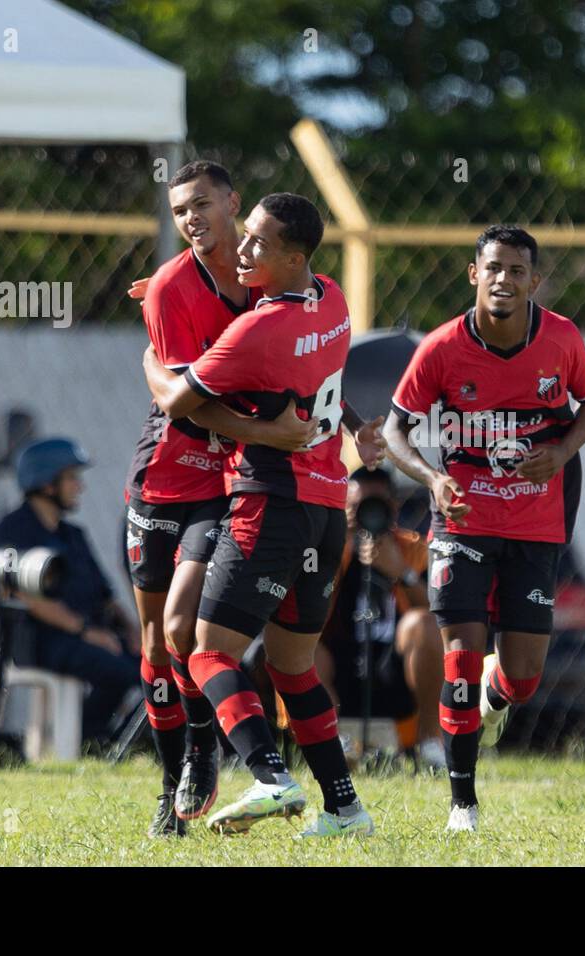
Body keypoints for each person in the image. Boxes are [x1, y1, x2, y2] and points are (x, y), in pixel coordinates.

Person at [143, 192, 382, 839]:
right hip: (329, 509)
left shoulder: (258, 330)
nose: (243, 250)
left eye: (259, 244)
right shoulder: (331, 296)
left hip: (268, 504)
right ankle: (346, 809)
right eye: (244, 236)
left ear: (294, 257)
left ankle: (271, 777)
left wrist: (151, 358)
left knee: (204, 653)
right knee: (291, 666)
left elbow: (176, 401)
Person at [382, 224, 585, 832]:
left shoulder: (560, 340)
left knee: (525, 677)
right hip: (462, 522)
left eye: (516, 270)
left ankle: (497, 690)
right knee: (459, 652)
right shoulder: (441, 349)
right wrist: (432, 479)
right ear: (472, 274)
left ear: (534, 281)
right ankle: (463, 804)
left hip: (536, 521)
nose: (503, 280)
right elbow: (395, 431)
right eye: (493, 268)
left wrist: (560, 454)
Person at [123, 160, 324, 837]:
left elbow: (304, 358)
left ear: (233, 203)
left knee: (184, 627)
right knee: (154, 645)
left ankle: (205, 747)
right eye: (180, 210)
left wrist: (347, 425)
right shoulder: (172, 288)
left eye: (203, 203)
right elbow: (184, 408)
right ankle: (168, 784)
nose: (192, 218)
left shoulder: (262, 277)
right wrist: (273, 429)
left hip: (221, 485)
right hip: (164, 473)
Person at [0, 437, 142, 748]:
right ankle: (87, 740)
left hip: (86, 636)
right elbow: (25, 597)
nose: (79, 487)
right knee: (120, 672)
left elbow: (106, 594)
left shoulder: (73, 535)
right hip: (41, 641)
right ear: (46, 484)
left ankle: (104, 738)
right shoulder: (14, 530)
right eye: (72, 478)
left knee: (149, 669)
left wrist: (133, 630)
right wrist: (87, 632)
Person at [315, 466, 445, 768]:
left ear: (394, 508)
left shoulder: (412, 548)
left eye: (376, 505)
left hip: (397, 665)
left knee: (424, 623)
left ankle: (429, 741)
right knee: (304, 649)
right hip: (340, 662)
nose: (366, 514)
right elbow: (310, 613)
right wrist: (340, 545)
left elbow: (440, 614)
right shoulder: (328, 547)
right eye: (357, 507)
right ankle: (331, 742)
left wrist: (401, 572)